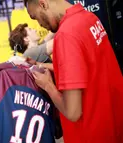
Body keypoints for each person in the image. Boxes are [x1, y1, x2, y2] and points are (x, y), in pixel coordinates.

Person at [25, 0, 123, 143]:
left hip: (90, 134)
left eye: (35, 17)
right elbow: (86, 66)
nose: (39, 24)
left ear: (43, 4)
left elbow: (73, 112)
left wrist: (48, 86)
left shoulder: (66, 35)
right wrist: (42, 65)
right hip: (113, 126)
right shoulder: (89, 18)